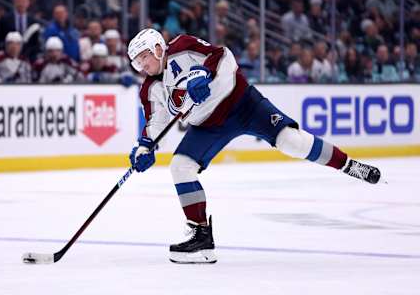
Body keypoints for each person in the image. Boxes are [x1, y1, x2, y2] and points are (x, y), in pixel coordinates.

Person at [126, 28, 383, 264]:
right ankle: (201, 238)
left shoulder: (182, 46)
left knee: (291, 142)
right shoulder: (150, 89)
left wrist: (202, 74)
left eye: (144, 57)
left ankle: (349, 165)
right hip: (208, 125)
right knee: (180, 167)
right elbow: (155, 123)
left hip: (243, 103)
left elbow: (223, 56)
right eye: (137, 63)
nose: (142, 66)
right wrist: (144, 148)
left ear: (159, 47)